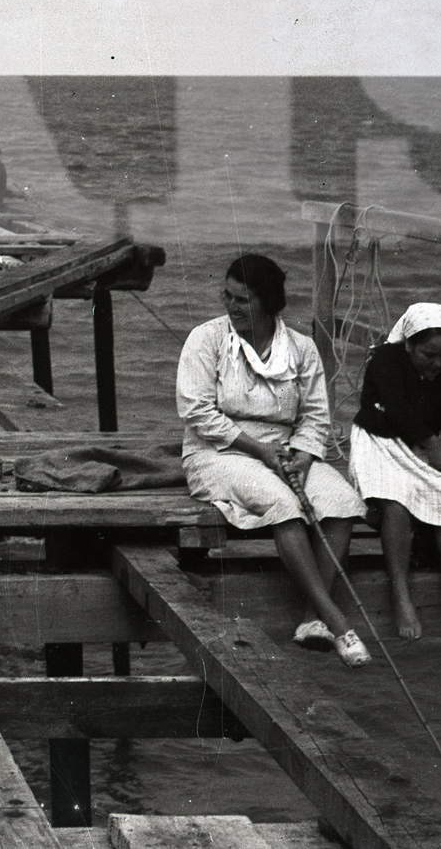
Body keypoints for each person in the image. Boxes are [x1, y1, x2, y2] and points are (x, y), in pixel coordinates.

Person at [176, 253, 373, 666]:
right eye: (227, 296)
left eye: (243, 300)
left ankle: (311, 619)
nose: (231, 306)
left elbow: (315, 416)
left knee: (342, 503)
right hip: (218, 451)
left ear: (268, 303)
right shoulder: (206, 338)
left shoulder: (301, 348)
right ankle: (336, 619)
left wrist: (303, 457)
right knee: (283, 504)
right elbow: (197, 411)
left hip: (284, 451)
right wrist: (259, 450)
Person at [351, 302, 441, 639]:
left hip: (416, 449)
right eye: (429, 355)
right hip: (378, 442)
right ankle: (401, 595)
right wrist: (432, 442)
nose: (438, 363)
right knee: (396, 503)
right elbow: (395, 406)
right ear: (409, 345)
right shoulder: (385, 359)